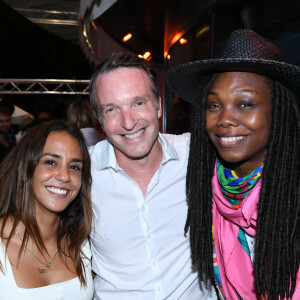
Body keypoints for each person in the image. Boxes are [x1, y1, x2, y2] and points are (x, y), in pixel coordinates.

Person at [167, 29, 300, 299]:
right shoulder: (209, 188)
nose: (225, 119)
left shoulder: (293, 193)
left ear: (279, 111)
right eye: (214, 106)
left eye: (245, 104)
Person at [88, 53, 217, 299]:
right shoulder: (82, 171)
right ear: (100, 120)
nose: (129, 122)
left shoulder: (197, 154)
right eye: (112, 109)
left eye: (138, 103)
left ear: (158, 105)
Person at [0, 120, 94, 299]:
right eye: (51, 162)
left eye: (74, 167)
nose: (65, 176)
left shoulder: (81, 243)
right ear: (24, 168)